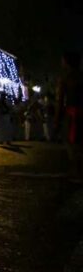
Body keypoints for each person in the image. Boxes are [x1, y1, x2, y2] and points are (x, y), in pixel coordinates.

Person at [56, 51, 83, 180]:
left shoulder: (65, 78)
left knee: (71, 142)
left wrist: (57, 119)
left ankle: (76, 170)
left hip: (72, 114)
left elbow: (60, 101)